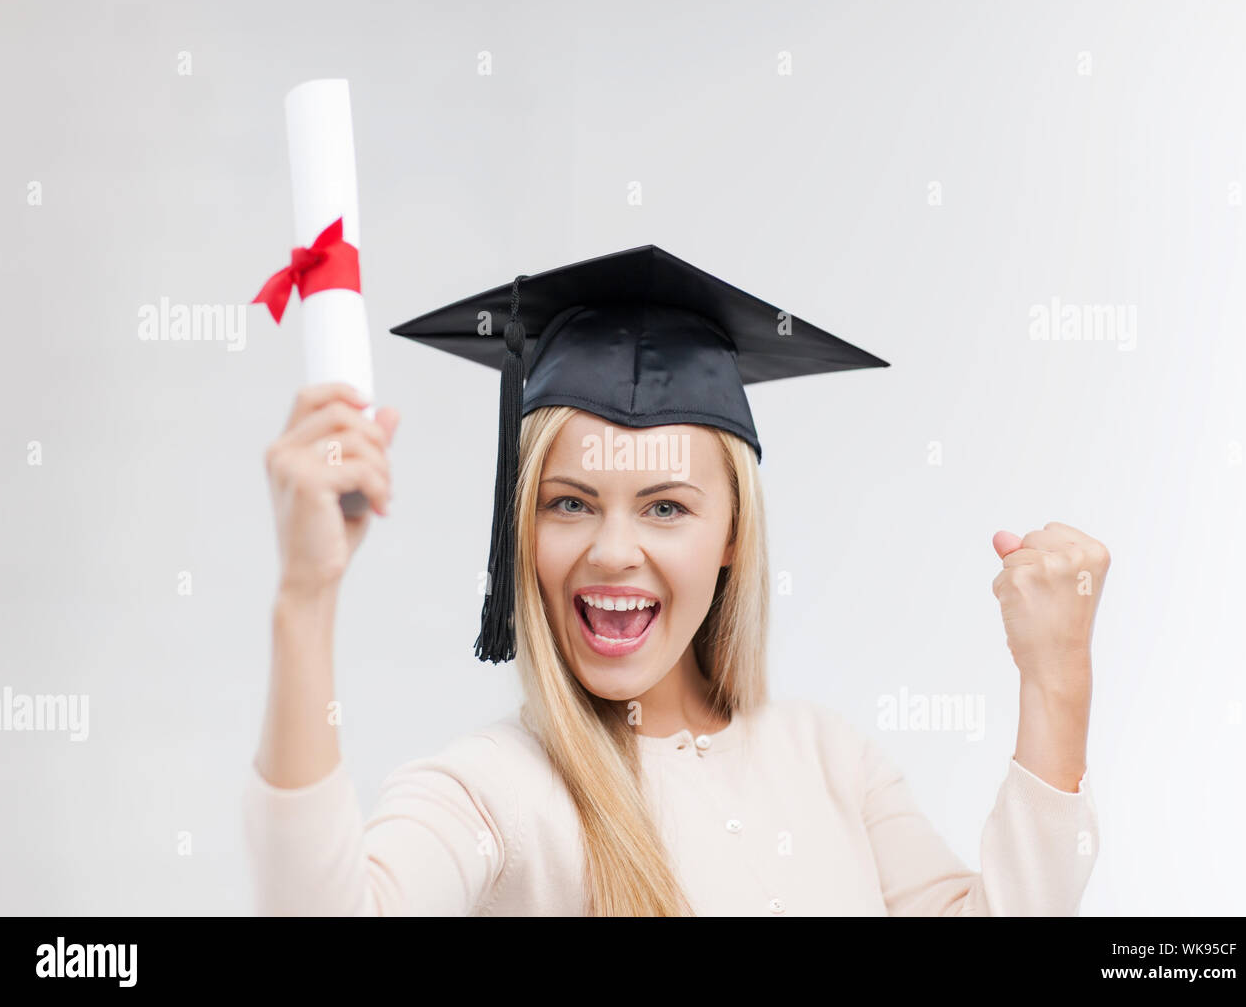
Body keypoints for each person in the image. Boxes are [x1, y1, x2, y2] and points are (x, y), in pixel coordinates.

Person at [244, 245, 1105, 916]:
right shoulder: (492, 791)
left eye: (664, 508)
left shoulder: (830, 759)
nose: (613, 550)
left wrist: (1056, 678)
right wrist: (305, 599)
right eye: (571, 502)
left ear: (734, 533)